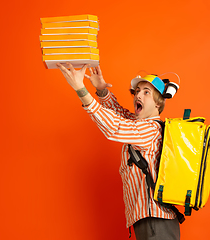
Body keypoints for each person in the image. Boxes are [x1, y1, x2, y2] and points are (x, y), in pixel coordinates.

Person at [56, 62, 180, 240]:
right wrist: (101, 90)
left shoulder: (151, 130)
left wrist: (81, 90)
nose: (138, 94)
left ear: (159, 104)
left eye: (147, 92)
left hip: (155, 219)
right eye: (137, 91)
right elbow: (120, 114)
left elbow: (114, 126)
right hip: (147, 219)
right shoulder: (141, 124)